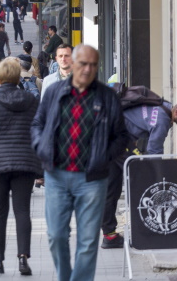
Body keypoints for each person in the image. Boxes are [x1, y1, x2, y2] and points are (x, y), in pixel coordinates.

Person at [31, 45, 127, 281]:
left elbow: (122, 135)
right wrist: (40, 148)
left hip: (92, 179)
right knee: (55, 235)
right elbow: (37, 125)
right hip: (57, 175)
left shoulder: (107, 96)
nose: (87, 69)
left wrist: (104, 156)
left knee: (87, 240)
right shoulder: (54, 92)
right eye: (83, 63)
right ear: (72, 64)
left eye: (93, 65)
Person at [0, 58, 42, 276]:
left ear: (0, 77)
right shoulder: (31, 100)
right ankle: (23, 258)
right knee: (22, 210)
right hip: (25, 162)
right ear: (17, 76)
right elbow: (38, 130)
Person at [101, 87, 176, 249]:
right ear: (176, 112)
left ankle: (110, 234)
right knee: (141, 180)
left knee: (112, 187)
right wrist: (159, 179)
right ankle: (141, 229)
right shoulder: (163, 118)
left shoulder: (163, 105)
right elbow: (154, 153)